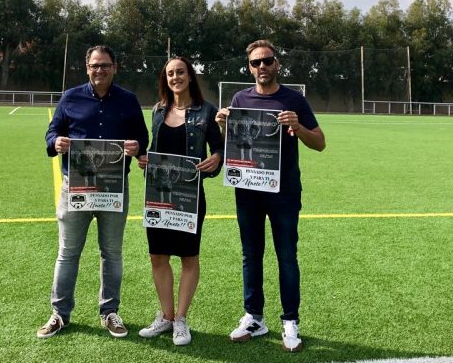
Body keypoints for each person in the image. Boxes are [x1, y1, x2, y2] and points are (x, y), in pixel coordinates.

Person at [215, 40, 326, 352]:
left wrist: (298, 127)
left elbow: (319, 142)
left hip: (285, 193)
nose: (261, 67)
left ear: (277, 64)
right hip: (248, 191)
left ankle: (290, 321)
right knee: (251, 256)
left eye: (266, 61)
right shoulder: (240, 98)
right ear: (249, 68)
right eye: (255, 63)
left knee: (286, 257)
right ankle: (254, 317)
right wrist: (224, 127)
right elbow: (233, 148)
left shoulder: (294, 99)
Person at [39, 45, 149, 339]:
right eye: (94, 65)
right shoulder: (71, 97)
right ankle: (60, 314)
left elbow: (142, 138)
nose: (99, 70)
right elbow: (52, 133)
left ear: (115, 67)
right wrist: (57, 142)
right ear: (86, 67)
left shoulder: (128, 100)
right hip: (76, 186)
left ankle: (109, 312)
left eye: (105, 65)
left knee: (111, 253)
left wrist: (137, 147)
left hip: (113, 188)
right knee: (68, 253)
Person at [136, 56, 223, 346]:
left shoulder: (206, 112)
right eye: (171, 73)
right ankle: (167, 316)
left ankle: (182, 319)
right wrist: (145, 160)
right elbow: (154, 150)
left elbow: (219, 149)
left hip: (190, 196)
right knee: (157, 257)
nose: (176, 77)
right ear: (166, 79)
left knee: (188, 257)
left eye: (181, 72)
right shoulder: (158, 111)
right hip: (159, 196)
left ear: (190, 76)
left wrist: (217, 159)